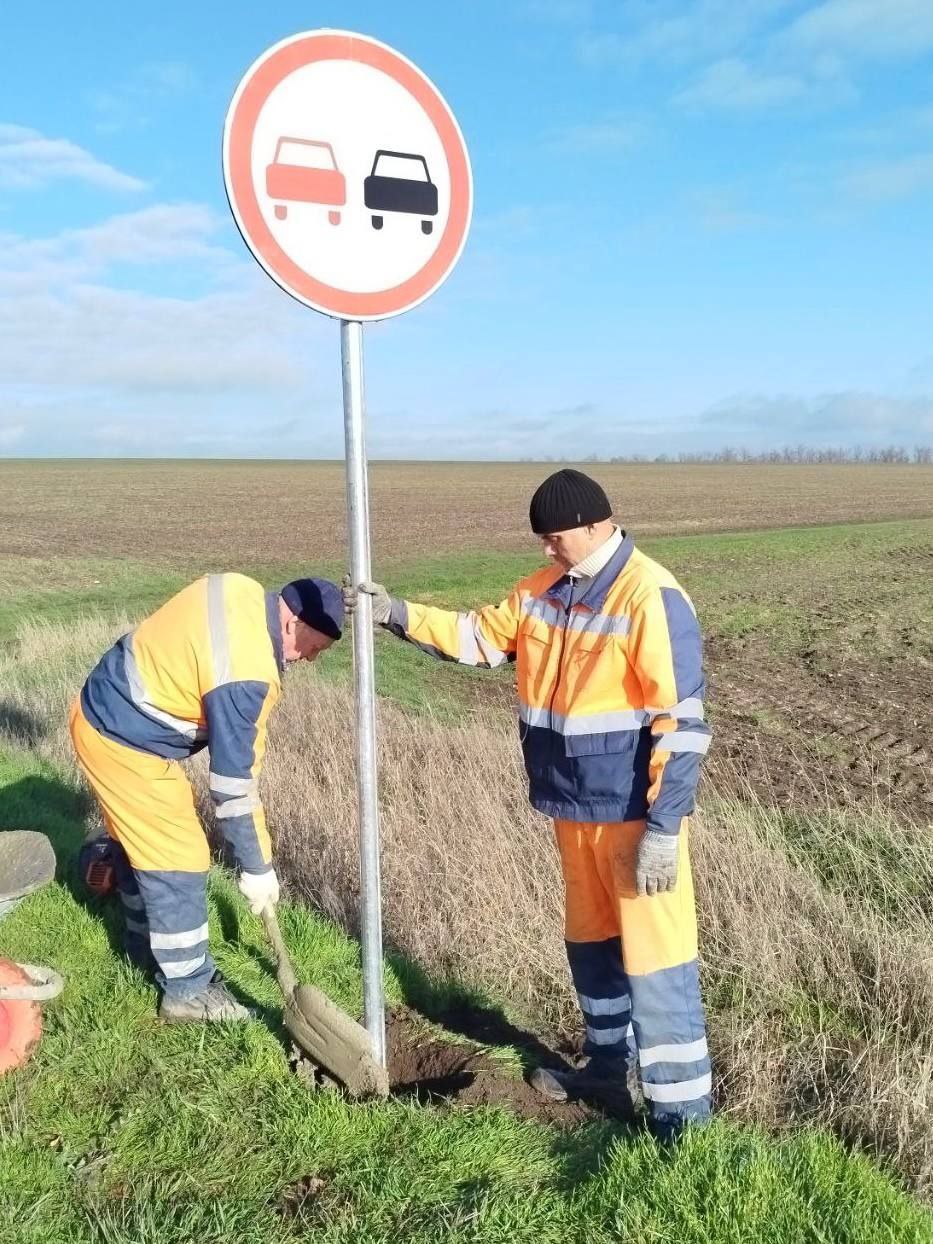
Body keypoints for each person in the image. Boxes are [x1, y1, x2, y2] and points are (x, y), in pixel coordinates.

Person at [346, 469, 712, 1141]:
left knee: (657, 966)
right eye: (541, 540)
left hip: (632, 818)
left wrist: (664, 826)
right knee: (591, 949)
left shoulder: (649, 596)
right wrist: (395, 612)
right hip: (570, 811)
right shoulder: (542, 591)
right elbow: (478, 637)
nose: (546, 551)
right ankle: (605, 1070)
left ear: (598, 526)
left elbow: (681, 724)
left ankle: (680, 1125)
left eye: (555, 538)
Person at [70, 573, 344, 1023]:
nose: (313, 659)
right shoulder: (250, 673)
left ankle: (142, 948)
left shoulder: (241, 589)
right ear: (293, 621)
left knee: (145, 844)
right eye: (317, 647)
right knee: (180, 857)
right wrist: (258, 869)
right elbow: (233, 787)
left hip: (110, 713)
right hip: (121, 737)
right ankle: (188, 991)